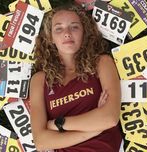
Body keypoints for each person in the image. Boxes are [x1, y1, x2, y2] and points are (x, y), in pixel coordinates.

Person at [30, 2, 122, 152]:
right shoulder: (39, 81)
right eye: (58, 28)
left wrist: (58, 124)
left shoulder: (101, 63)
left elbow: (110, 118)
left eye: (74, 27)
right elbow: (41, 142)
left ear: (84, 32)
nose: (67, 33)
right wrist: (94, 129)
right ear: (51, 37)